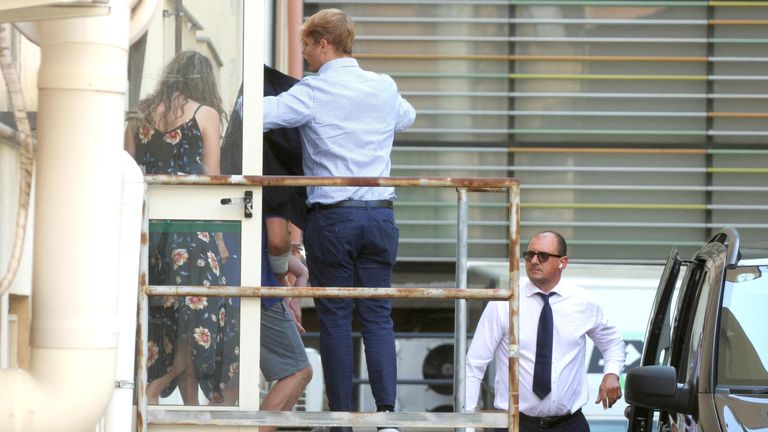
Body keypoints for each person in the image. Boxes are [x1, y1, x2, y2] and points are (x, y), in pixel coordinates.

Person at [263, 8, 416, 432]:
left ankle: (341, 418)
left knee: (334, 315)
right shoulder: (383, 86)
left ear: (323, 43)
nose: (306, 57)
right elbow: (407, 116)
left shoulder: (314, 91)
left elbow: (261, 115)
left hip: (333, 217)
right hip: (380, 216)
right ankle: (387, 416)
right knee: (377, 314)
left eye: (307, 47)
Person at [124, 50, 233, 405]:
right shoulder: (206, 114)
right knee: (197, 319)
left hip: (147, 230)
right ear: (204, 81)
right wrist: (218, 237)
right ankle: (156, 387)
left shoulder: (139, 115)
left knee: (164, 315)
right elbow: (212, 182)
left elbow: (128, 172)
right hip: (190, 229)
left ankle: (188, 406)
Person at [465, 231, 626, 432]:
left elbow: (612, 343)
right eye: (529, 254)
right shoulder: (505, 302)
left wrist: (611, 373)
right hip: (516, 425)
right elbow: (475, 363)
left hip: (570, 425)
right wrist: (468, 424)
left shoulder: (583, 302)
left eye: (543, 256)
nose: (534, 261)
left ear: (563, 262)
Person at [211, 223, 313, 432]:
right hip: (259, 294)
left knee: (231, 382)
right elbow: (294, 263)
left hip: (218, 295)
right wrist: (291, 300)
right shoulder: (266, 216)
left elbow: (297, 267)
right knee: (300, 371)